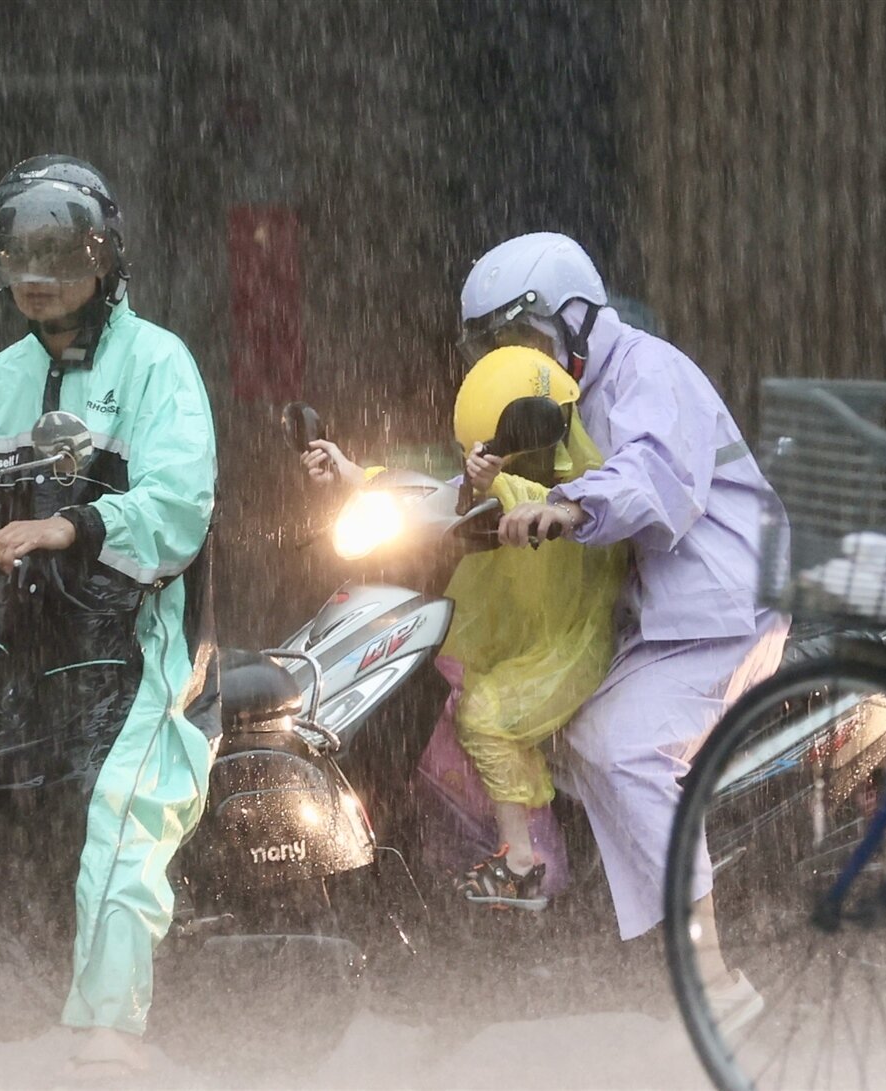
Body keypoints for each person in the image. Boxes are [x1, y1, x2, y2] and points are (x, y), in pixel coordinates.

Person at [0, 155, 217, 1077]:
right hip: (17, 654)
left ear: (103, 257)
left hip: (135, 648)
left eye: (56, 255)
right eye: (19, 256)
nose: (35, 276)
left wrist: (72, 524)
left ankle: (112, 1027)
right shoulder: (3, 377)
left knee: (122, 817)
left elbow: (180, 506)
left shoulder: (157, 361)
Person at [457, 232, 789, 1023]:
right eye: (499, 346)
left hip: (722, 608)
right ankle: (629, 933)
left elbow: (650, 473)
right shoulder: (559, 395)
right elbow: (510, 470)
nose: (515, 358)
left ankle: (711, 972)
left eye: (524, 336)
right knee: (565, 732)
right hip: (654, 619)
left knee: (621, 746)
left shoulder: (648, 370)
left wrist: (571, 506)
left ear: (574, 318)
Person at [302, 346, 626, 909]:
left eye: (500, 448)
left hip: (562, 645)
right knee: (426, 687)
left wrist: (497, 483)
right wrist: (351, 474)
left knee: (485, 715)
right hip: (500, 636)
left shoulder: (589, 496)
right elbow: (433, 491)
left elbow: (545, 502)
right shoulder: (500, 479)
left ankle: (528, 865)